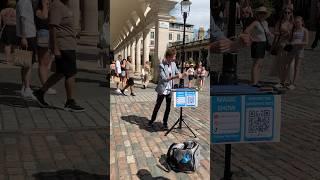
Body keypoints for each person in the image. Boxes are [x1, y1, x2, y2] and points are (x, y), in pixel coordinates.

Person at [32, 0, 84, 112]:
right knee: (71, 73)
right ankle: (70, 102)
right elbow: (53, 28)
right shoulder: (56, 5)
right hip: (64, 45)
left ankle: (40, 93)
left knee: (60, 72)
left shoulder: (62, 6)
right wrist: (55, 48)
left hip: (68, 43)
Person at [148, 48, 186, 130]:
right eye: (174, 56)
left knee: (168, 107)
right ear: (169, 56)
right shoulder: (161, 65)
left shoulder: (173, 64)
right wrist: (175, 76)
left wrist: (183, 74)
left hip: (170, 89)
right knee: (157, 106)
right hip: (163, 89)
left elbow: (177, 72)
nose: (175, 58)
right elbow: (164, 79)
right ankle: (151, 120)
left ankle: (165, 122)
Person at [244, 6, 272, 86]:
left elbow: (267, 32)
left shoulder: (265, 23)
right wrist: (252, 39)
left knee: (260, 64)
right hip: (257, 44)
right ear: (258, 14)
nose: (262, 15)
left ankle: (256, 80)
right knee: (256, 63)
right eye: (260, 13)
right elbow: (246, 31)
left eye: (264, 13)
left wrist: (272, 34)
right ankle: (254, 82)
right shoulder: (255, 22)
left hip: (263, 44)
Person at [16, 0, 37, 98]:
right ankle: (27, 88)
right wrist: (24, 37)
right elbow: (23, 19)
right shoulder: (25, 1)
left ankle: (24, 87)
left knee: (24, 62)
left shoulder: (22, 1)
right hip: (28, 35)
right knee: (28, 63)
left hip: (27, 35)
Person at [35, 0, 56, 95]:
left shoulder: (50, 9)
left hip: (49, 35)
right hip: (42, 35)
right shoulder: (38, 10)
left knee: (47, 62)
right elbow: (44, 17)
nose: (48, 2)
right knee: (43, 62)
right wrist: (44, 5)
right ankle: (45, 86)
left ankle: (46, 84)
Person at [272, 7, 294, 88]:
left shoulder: (293, 23)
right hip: (281, 44)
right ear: (283, 13)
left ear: (291, 14)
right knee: (281, 63)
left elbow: (297, 34)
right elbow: (275, 32)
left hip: (290, 45)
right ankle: (281, 81)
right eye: (285, 12)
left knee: (290, 64)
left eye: (288, 13)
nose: (287, 14)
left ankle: (289, 81)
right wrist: (282, 33)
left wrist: (289, 34)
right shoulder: (280, 22)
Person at [286, 16, 308, 90]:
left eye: (298, 22)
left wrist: (297, 43)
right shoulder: (293, 30)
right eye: (295, 22)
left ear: (302, 22)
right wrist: (288, 40)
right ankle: (289, 81)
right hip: (292, 49)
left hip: (300, 50)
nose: (296, 23)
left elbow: (306, 42)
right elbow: (290, 40)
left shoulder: (305, 30)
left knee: (296, 67)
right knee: (288, 65)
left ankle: (294, 83)